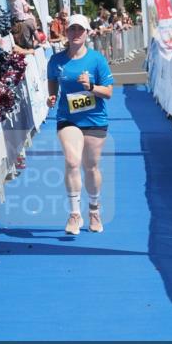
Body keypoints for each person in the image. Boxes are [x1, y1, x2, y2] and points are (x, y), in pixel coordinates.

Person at [46, 14, 115, 235]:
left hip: (94, 119)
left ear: (87, 33)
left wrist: (91, 86)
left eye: (80, 30)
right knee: (72, 161)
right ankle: (75, 214)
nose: (76, 33)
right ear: (65, 32)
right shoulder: (56, 61)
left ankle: (94, 209)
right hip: (68, 119)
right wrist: (51, 98)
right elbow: (53, 85)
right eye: (72, 29)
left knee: (91, 167)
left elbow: (109, 93)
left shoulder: (96, 60)